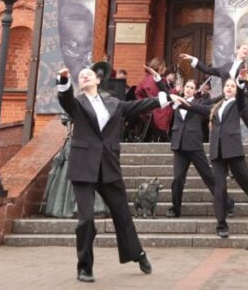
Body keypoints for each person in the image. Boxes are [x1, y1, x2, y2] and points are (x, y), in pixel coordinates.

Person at [55, 64, 170, 283]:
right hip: (83, 167)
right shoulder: (77, 104)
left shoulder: (114, 103)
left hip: (108, 166)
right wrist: (64, 81)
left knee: (122, 215)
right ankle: (84, 267)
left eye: (89, 74)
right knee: (86, 220)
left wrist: (165, 99)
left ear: (98, 80)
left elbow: (137, 106)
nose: (85, 76)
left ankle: (138, 253)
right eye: (81, 76)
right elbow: (65, 100)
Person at [184, 68, 248, 238]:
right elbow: (197, 107)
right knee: (220, 188)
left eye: (232, 86)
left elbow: (241, 96)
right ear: (223, 88)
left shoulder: (237, 104)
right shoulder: (216, 106)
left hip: (233, 151)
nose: (229, 88)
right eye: (227, 86)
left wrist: (240, 82)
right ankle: (221, 224)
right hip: (217, 153)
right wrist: (179, 101)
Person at [182, 42, 248, 175]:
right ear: (237, 50)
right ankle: (232, 168)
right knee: (228, 133)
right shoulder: (226, 67)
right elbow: (208, 70)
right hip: (228, 102)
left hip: (245, 102)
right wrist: (193, 60)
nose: (246, 51)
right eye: (244, 48)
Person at [164, 79, 233, 218]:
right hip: (179, 145)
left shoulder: (199, 103)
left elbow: (212, 102)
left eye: (191, 87)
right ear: (183, 88)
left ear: (195, 91)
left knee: (208, 177)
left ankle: (228, 204)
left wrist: (225, 95)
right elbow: (166, 94)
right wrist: (159, 79)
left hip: (194, 146)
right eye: (187, 87)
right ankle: (175, 209)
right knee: (177, 179)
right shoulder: (176, 101)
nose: (188, 89)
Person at [137, 57, 172, 142]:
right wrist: (175, 91)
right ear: (160, 68)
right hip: (151, 110)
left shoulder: (153, 78)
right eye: (164, 66)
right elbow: (157, 97)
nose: (166, 68)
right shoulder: (150, 80)